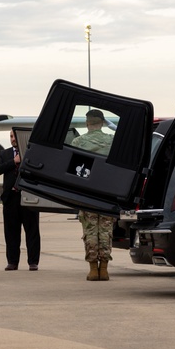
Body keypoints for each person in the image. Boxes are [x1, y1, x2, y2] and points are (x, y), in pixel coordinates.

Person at [70, 109, 114, 281]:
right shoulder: (111, 141)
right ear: (102, 122)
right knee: (105, 229)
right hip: (107, 192)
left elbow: (74, 169)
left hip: (87, 192)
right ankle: (104, 268)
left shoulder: (78, 141)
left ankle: (93, 269)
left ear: (87, 123)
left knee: (90, 230)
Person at [0, 130, 41, 271]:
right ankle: (12, 262)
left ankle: (33, 262)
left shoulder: (32, 153)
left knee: (32, 231)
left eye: (14, 136)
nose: (12, 139)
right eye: (10, 137)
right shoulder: (4, 153)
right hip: (11, 199)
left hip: (28, 198)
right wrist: (13, 162)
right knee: (11, 232)